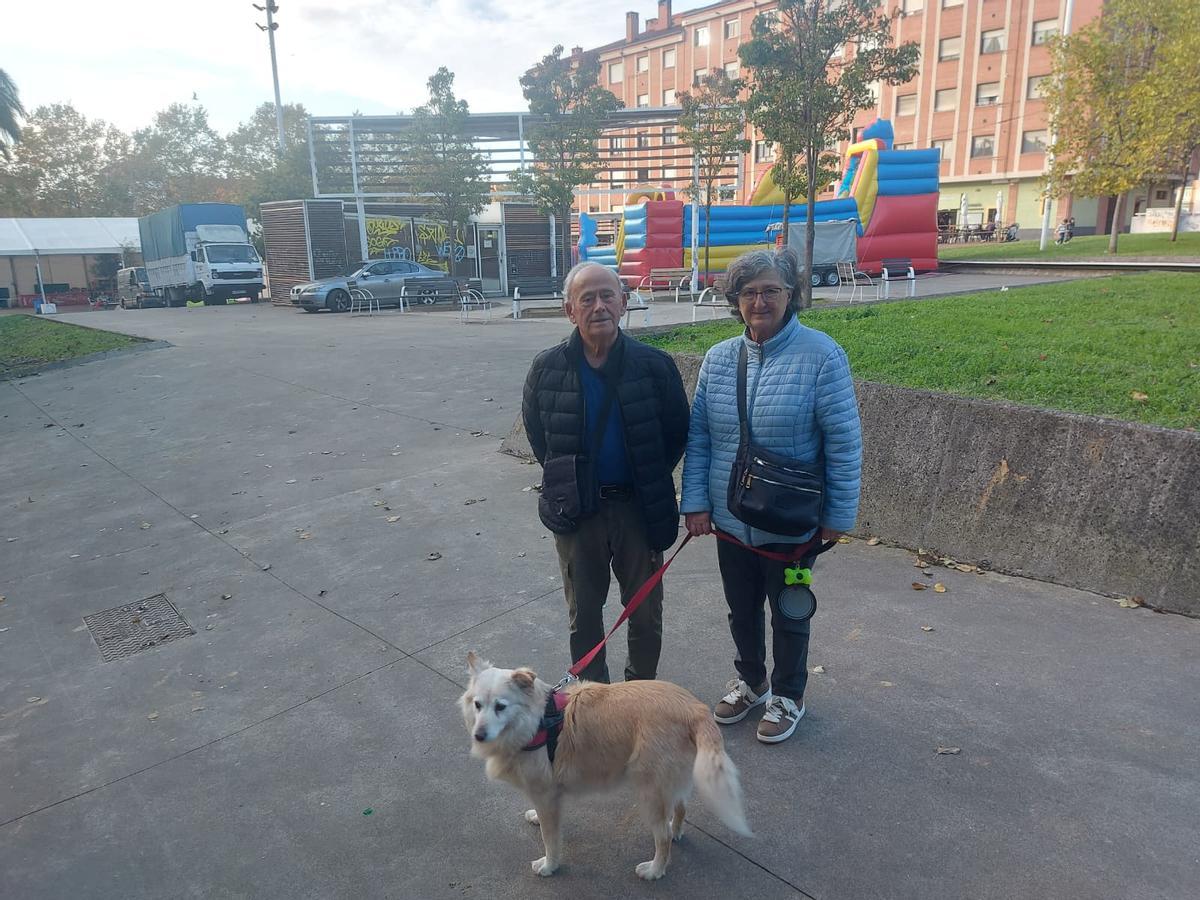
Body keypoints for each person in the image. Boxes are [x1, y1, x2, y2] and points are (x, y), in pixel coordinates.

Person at [681, 248, 862, 744]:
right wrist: (695, 503)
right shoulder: (719, 359)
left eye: (770, 290)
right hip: (731, 517)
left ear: (790, 295)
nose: (759, 301)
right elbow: (700, 439)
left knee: (788, 608)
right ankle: (752, 680)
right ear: (735, 300)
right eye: (748, 292)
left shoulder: (822, 354)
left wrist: (837, 515)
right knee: (741, 608)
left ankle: (788, 693)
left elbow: (844, 443)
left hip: (791, 519)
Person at [522, 262, 690, 683]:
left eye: (607, 296)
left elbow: (675, 432)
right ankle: (593, 698)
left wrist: (647, 477)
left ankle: (640, 695)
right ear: (569, 310)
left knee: (645, 614)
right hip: (578, 513)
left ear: (624, 302)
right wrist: (570, 483)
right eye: (587, 299)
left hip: (638, 507)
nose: (599, 306)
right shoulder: (547, 369)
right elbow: (540, 436)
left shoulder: (655, 366)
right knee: (584, 615)